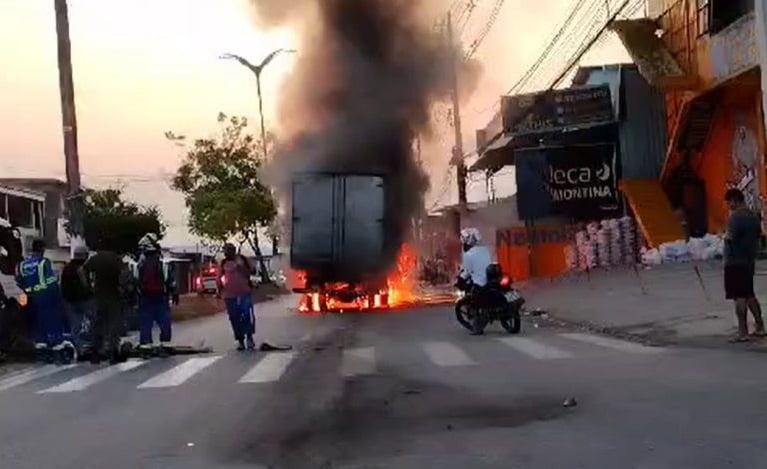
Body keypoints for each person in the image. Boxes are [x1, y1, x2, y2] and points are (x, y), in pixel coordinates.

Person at [15, 239, 69, 362]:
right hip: (46, 296)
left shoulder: (22, 265)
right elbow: (51, 282)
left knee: (38, 324)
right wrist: (58, 296)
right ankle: (58, 351)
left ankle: (41, 352)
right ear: (42, 249)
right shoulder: (44, 262)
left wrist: (28, 291)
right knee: (52, 322)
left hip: (31, 298)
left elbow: (19, 281)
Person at [724, 188, 765, 342]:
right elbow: (758, 236)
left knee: (739, 297)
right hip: (748, 261)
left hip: (735, 261)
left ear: (734, 200)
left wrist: (725, 236)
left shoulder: (735, 218)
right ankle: (760, 327)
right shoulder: (753, 217)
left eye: (729, 202)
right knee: (749, 294)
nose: (728, 205)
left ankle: (743, 332)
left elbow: (730, 237)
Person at [81, 239, 126, 364]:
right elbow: (124, 273)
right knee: (113, 325)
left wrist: (88, 286)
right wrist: (122, 287)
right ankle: (112, 352)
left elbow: (82, 270)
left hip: (98, 296)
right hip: (113, 296)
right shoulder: (115, 259)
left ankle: (95, 352)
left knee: (97, 325)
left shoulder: (95, 259)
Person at [135, 234, 175, 356]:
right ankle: (165, 345)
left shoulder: (139, 265)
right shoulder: (163, 264)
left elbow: (135, 281)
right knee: (164, 320)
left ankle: (145, 346)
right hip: (161, 297)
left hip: (145, 297)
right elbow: (170, 282)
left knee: (145, 321)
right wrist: (174, 294)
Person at [219, 243, 255, 351]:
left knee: (246, 316)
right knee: (234, 317)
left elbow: (252, 272)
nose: (226, 253)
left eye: (228, 251)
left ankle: (249, 338)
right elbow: (219, 277)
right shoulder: (223, 263)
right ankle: (240, 340)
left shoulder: (242, 259)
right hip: (229, 295)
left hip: (244, 293)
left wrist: (241, 266)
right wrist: (219, 290)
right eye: (224, 251)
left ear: (233, 251)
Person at [457, 228, 493, 335]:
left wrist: (459, 280)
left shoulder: (468, 255)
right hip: (490, 281)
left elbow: (467, 272)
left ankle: (477, 327)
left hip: (479, 283)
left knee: (473, 302)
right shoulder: (485, 250)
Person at [61, 245, 94, 355]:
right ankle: (94, 345)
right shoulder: (82, 268)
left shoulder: (67, 268)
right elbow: (86, 285)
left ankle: (79, 348)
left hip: (70, 302)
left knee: (75, 326)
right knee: (94, 320)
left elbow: (63, 285)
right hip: (83, 300)